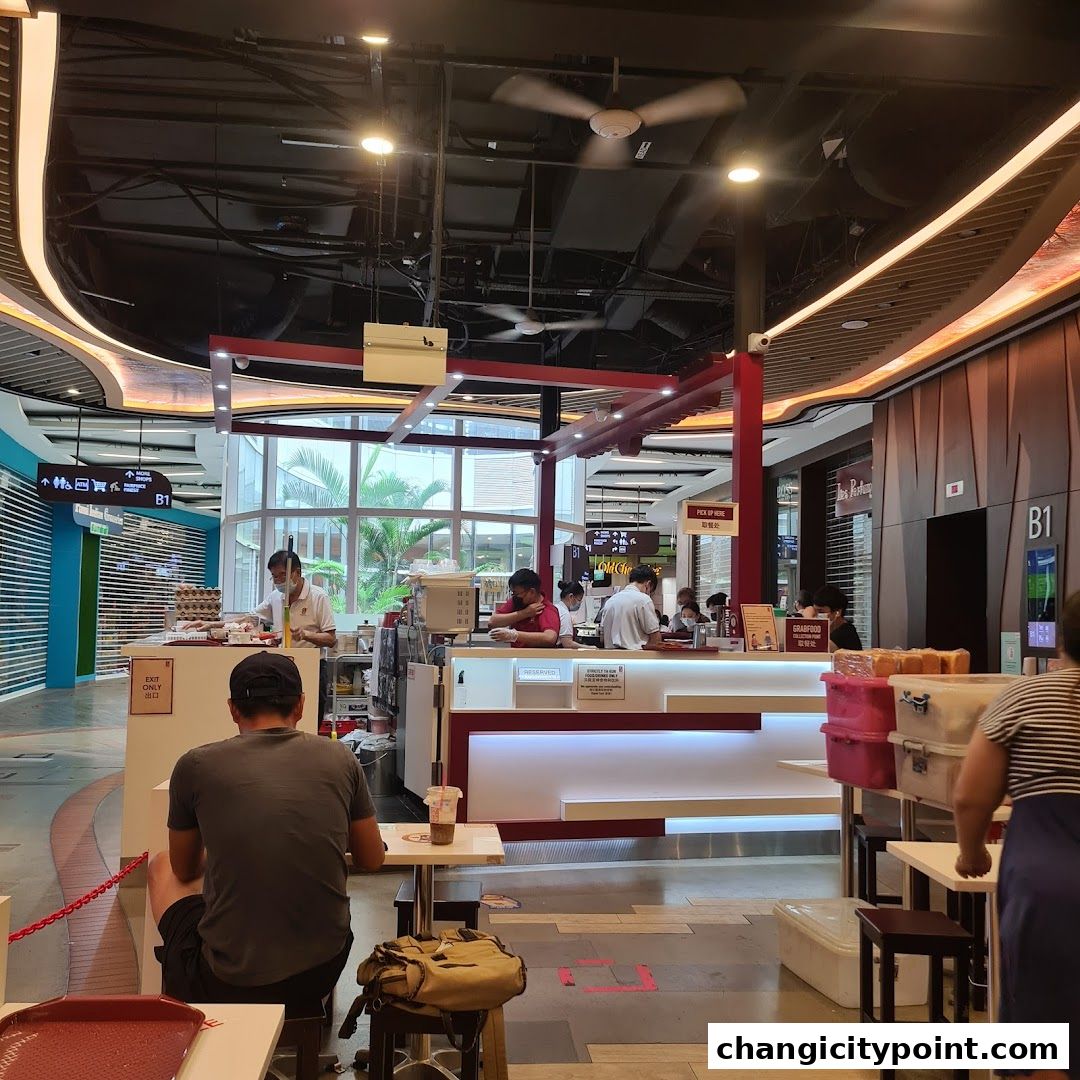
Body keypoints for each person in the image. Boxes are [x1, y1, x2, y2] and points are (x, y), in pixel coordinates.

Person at [147, 652, 385, 1012]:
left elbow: (184, 869)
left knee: (162, 865)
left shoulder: (195, 765)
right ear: (301, 705)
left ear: (232, 709)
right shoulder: (340, 757)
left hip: (226, 979)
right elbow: (371, 858)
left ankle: (184, 989)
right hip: (322, 968)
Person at [952, 591, 1080, 1067]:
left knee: (1043, 1046)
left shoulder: (1024, 696)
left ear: (1062, 640)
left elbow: (970, 797)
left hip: (1047, 889)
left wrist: (971, 853)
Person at [253, 550, 337, 650]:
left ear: (298, 572)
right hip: (281, 657)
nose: (279, 581)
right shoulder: (275, 597)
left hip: (309, 658)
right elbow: (253, 617)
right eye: (275, 576)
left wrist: (306, 635)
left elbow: (331, 639)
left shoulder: (318, 597)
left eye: (284, 575)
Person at [488, 568, 561, 647]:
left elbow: (550, 638)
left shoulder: (547, 609)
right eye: (513, 593)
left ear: (532, 592)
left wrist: (514, 635)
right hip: (516, 653)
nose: (515, 597)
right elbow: (492, 622)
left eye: (517, 593)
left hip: (536, 654)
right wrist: (524, 613)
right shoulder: (516, 602)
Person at [600, 566, 662, 650]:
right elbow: (655, 637)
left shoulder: (610, 601)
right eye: (650, 591)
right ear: (648, 584)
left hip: (610, 655)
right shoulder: (644, 600)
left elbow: (602, 636)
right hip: (636, 655)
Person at [813, 584, 863, 651]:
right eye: (814, 611)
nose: (816, 615)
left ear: (837, 612)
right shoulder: (830, 631)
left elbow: (817, 648)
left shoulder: (845, 632)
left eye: (820, 611)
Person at [554, 580, 593, 650]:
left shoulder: (556, 608)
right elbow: (567, 643)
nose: (579, 603)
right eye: (579, 600)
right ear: (571, 597)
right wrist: (590, 648)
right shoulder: (564, 614)